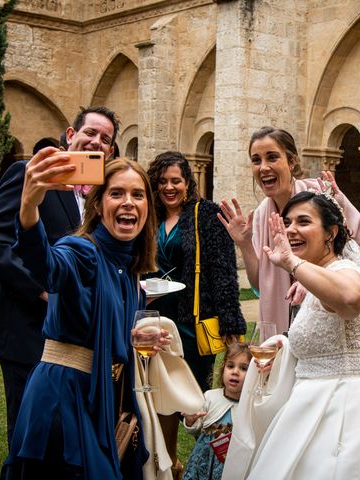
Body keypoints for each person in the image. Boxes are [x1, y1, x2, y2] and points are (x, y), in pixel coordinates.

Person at [223, 191, 360, 480]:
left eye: (303, 222)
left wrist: (292, 263)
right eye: (288, 222)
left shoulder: (345, 269)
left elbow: (351, 298)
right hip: (312, 404)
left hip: (345, 413)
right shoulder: (320, 276)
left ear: (331, 233)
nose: (291, 229)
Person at [0, 106, 119, 450]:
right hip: (27, 329)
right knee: (29, 434)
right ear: (70, 136)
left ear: (109, 151)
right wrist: (41, 290)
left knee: (62, 434)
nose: (96, 141)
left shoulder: (96, 196)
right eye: (90, 133)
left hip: (74, 334)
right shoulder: (32, 173)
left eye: (105, 139)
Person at [4, 155, 160, 479]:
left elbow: (95, 323)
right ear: (98, 205)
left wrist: (129, 338)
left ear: (147, 208)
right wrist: (29, 205)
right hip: (63, 400)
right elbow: (46, 267)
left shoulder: (128, 267)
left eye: (137, 194)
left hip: (100, 398)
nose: (127, 202)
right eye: (116, 193)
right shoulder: (82, 251)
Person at [146, 151, 246, 478]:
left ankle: (206, 465)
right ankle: (170, 462)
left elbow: (222, 270)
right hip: (154, 316)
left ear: (188, 182)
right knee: (158, 393)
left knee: (194, 399)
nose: (169, 187)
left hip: (192, 320)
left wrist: (231, 320)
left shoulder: (205, 215)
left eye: (176, 180)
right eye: (162, 181)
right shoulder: (150, 215)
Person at [218, 126, 360, 335]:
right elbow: (260, 284)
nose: (263, 167)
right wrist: (245, 243)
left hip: (328, 313)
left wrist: (313, 279)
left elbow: (359, 252)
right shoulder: (262, 215)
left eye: (272, 157)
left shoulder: (319, 196)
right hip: (284, 318)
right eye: (256, 160)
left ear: (292, 161)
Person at [182, 342, 251, 480]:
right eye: (230, 366)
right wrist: (190, 421)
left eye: (244, 368)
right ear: (223, 368)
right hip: (203, 462)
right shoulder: (210, 397)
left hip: (233, 466)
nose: (235, 372)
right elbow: (195, 430)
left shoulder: (251, 406)